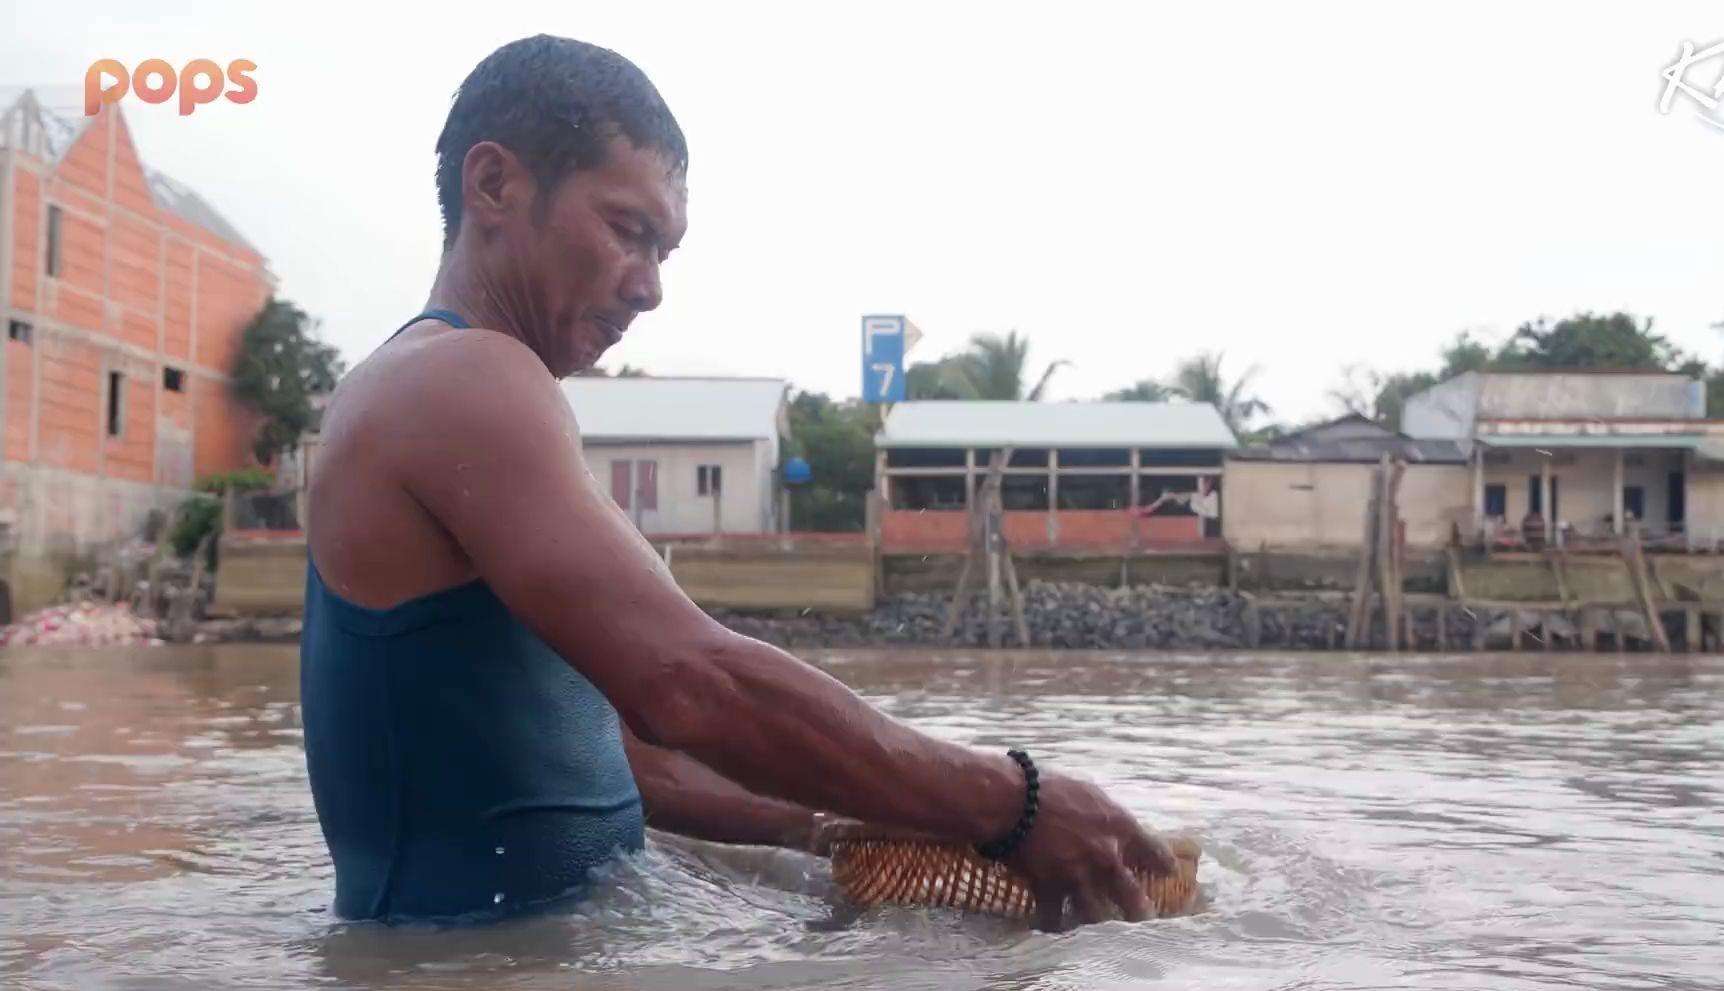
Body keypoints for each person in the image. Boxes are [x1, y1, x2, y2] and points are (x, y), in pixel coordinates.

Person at [298, 34, 1172, 930]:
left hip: (529, 987)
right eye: (626, 231)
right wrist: (1015, 803)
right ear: (493, 186)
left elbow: (622, 757)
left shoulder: (475, 395)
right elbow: (689, 686)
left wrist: (837, 825)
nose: (650, 290)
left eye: (665, 253)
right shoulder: (460, 377)